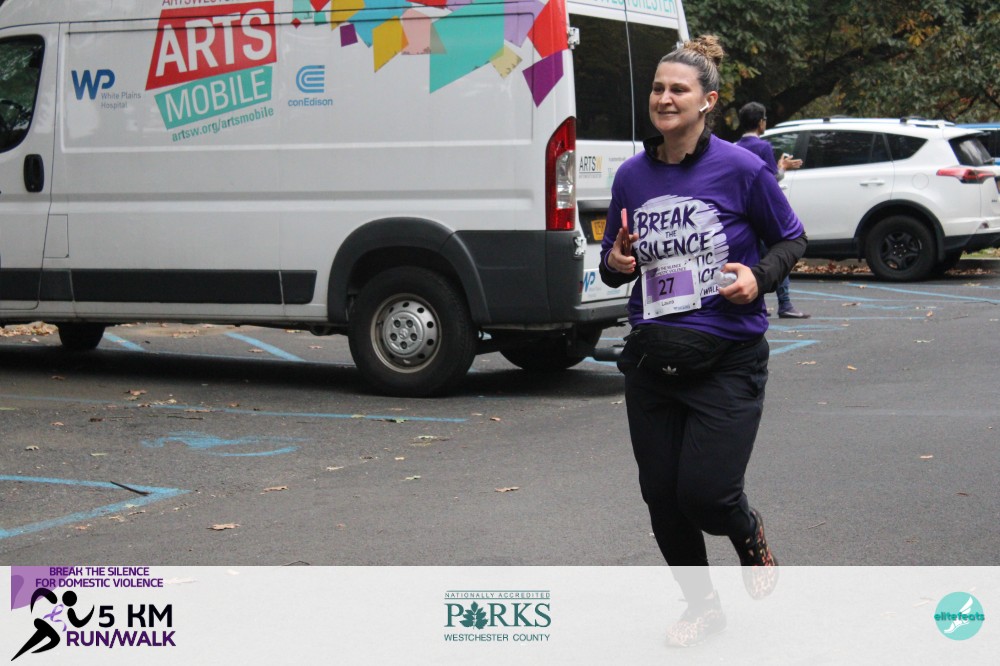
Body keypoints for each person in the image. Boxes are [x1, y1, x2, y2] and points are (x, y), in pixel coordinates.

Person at [599, 36, 807, 647]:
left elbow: (791, 239)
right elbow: (615, 263)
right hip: (653, 360)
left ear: (707, 102)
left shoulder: (742, 169)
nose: (664, 98)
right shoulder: (632, 175)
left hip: (727, 359)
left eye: (678, 90)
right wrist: (616, 261)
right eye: (657, 88)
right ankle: (703, 605)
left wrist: (758, 278)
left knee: (707, 496)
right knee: (662, 498)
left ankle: (747, 532)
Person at [734, 101, 810, 318]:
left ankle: (755, 302)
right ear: (761, 123)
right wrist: (782, 167)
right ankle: (785, 303)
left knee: (752, 259)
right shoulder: (763, 147)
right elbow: (771, 178)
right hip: (764, 211)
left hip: (742, 212)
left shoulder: (734, 147)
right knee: (777, 256)